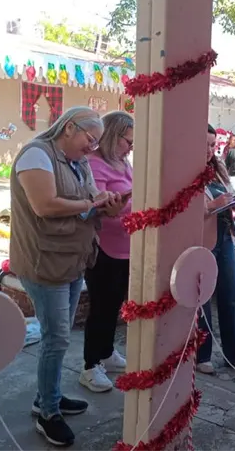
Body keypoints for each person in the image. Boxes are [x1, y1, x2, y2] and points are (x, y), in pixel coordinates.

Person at [10, 106, 125, 447]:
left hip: (73, 259)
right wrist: (91, 203)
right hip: (45, 261)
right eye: (90, 139)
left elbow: (88, 200)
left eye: (96, 142)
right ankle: (48, 412)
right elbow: (44, 205)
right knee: (56, 338)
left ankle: (49, 396)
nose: (92, 147)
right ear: (69, 127)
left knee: (57, 338)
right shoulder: (36, 154)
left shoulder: (78, 160)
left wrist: (106, 204)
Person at [79, 111, 134, 393]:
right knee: (100, 307)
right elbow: (97, 206)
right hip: (104, 247)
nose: (130, 147)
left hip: (126, 247)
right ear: (114, 136)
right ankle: (90, 365)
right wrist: (125, 204)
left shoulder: (123, 163)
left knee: (113, 305)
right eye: (127, 141)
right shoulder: (95, 163)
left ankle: (107, 352)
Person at [198, 124, 235, 375]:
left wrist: (233, 202)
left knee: (231, 293)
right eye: (206, 145)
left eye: (213, 145)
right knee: (202, 299)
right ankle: (202, 354)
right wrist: (213, 206)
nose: (210, 150)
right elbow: (189, 211)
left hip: (224, 235)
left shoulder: (217, 168)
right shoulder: (186, 170)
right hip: (200, 238)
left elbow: (223, 198)